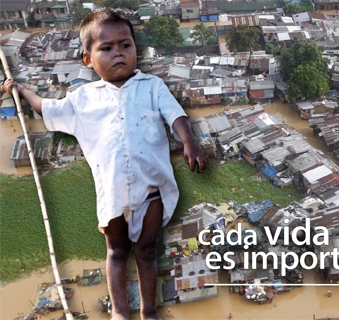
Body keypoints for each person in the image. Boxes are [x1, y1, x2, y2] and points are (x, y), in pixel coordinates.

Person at [1, 10, 207, 320]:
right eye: (106, 49)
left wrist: (189, 141)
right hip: (111, 193)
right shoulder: (82, 99)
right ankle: (121, 313)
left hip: (151, 188)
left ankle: (149, 311)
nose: (118, 54)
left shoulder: (152, 86)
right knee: (117, 252)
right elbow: (47, 108)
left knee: (148, 252)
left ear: (136, 50)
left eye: (125, 46)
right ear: (88, 60)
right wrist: (21, 90)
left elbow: (175, 114)